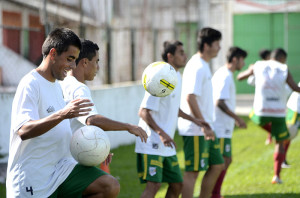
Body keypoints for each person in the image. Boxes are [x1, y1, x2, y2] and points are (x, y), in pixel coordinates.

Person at [6, 28, 120, 197]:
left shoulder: (58, 87)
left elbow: (64, 130)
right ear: (53, 53)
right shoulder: (30, 84)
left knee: (108, 186)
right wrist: (63, 114)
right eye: (69, 59)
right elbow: (23, 130)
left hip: (60, 171)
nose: (73, 66)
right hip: (32, 178)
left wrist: (96, 147)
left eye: (74, 60)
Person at [135, 40, 211, 198]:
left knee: (178, 185)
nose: (185, 56)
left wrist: (195, 120)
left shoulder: (176, 76)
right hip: (152, 142)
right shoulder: (159, 75)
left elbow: (173, 107)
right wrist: (161, 133)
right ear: (170, 56)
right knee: (154, 185)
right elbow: (143, 112)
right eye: (181, 53)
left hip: (166, 143)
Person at [59, 39, 148, 173]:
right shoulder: (79, 89)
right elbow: (92, 120)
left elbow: (77, 124)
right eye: (97, 61)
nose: (98, 67)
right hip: (68, 163)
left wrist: (98, 147)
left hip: (60, 157)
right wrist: (128, 127)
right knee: (109, 186)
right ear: (84, 62)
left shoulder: (63, 83)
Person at [237, 48, 300, 184]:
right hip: (278, 112)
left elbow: (240, 77)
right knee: (280, 142)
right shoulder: (284, 68)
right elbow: (295, 87)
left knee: (252, 115)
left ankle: (273, 133)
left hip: (260, 111)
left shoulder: (258, 65)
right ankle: (276, 176)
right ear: (282, 58)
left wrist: (249, 70)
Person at [177, 27, 225, 198]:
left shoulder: (203, 65)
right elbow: (190, 97)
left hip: (205, 125)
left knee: (217, 165)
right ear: (206, 45)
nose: (219, 47)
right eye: (217, 43)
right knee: (193, 172)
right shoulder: (196, 66)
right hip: (196, 128)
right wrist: (202, 124)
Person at [211, 47, 248, 198]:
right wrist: (237, 118)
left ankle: (215, 192)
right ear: (235, 59)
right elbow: (219, 102)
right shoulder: (225, 75)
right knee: (221, 161)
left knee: (226, 160)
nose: (244, 63)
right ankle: (214, 193)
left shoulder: (225, 74)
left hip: (223, 127)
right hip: (219, 127)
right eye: (242, 60)